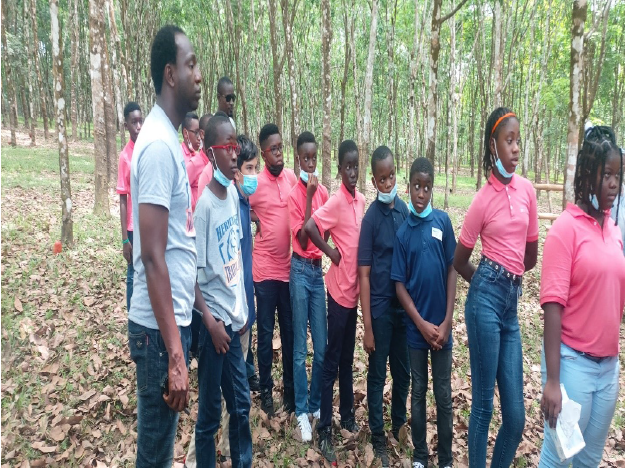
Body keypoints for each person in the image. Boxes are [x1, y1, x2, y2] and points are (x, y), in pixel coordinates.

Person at [128, 24, 203, 468]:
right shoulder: (157, 145)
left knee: (159, 449)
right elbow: (152, 256)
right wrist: (175, 354)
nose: (198, 74)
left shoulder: (167, 138)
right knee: (154, 455)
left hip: (167, 325)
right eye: (191, 64)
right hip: (158, 333)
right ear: (171, 74)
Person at [453, 107, 539, 468]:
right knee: (484, 406)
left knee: (516, 417)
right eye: (509, 140)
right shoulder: (481, 200)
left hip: (511, 306)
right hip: (484, 302)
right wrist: (488, 284)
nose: (516, 147)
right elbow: (459, 261)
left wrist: (507, 282)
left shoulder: (528, 192)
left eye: (518, 140)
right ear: (494, 145)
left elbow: (530, 256)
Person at [539, 126, 625, 467]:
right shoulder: (565, 229)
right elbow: (552, 307)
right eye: (607, 175)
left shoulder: (614, 231)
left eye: (618, 176)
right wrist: (553, 382)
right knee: (559, 458)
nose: (614, 184)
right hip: (573, 366)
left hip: (608, 369)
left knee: (588, 461)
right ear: (589, 174)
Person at [185, 134, 259, 467]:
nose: (235, 155)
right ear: (211, 154)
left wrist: (242, 309)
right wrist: (211, 323)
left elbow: (235, 262)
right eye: (227, 149)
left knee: (241, 404)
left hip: (234, 319)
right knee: (210, 413)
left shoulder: (232, 195)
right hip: (214, 327)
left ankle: (242, 462)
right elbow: (192, 277)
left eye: (236, 148)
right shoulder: (204, 209)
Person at [391, 157, 457, 469]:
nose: (421, 193)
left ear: (432, 189)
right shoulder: (404, 233)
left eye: (427, 188)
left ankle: (445, 459)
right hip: (416, 331)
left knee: (443, 394)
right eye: (416, 186)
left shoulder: (442, 222)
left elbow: (452, 270)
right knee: (418, 391)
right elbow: (400, 286)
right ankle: (420, 456)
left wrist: (446, 322)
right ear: (409, 187)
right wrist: (420, 324)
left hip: (442, 329)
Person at [305, 140, 365, 464]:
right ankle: (325, 428)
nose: (352, 172)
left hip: (355, 294)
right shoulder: (338, 201)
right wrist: (330, 253)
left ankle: (347, 414)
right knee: (331, 361)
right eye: (347, 167)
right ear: (340, 169)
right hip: (338, 293)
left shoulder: (362, 201)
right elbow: (311, 226)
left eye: (356, 166)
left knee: (346, 358)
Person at [358, 146, 410, 466]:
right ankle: (377, 434)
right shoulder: (370, 219)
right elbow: (363, 274)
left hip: (403, 310)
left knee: (402, 373)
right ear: (374, 180)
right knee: (377, 375)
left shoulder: (405, 212)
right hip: (379, 309)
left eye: (391, 176)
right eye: (382, 179)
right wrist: (367, 326)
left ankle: (399, 422)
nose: (388, 183)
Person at [249, 123, 297, 417]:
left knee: (290, 334)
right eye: (274, 149)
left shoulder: (291, 178)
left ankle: (290, 391)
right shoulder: (255, 183)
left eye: (281, 147)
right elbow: (242, 204)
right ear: (264, 153)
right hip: (264, 272)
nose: (279, 153)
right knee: (265, 334)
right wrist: (256, 219)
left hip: (289, 271)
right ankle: (266, 390)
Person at [287, 131, 330, 442]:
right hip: (299, 272)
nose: (311, 163)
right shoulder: (294, 194)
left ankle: (315, 404)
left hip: (317, 273)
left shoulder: (325, 193)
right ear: (298, 159)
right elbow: (303, 238)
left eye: (314, 158)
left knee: (322, 348)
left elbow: (324, 236)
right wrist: (309, 197)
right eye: (306, 158)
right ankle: (301, 410)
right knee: (300, 348)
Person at [116, 101, 143, 312]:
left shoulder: (146, 150)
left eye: (140, 121)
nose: (138, 126)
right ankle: (132, 314)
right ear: (126, 125)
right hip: (134, 228)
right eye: (134, 122)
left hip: (148, 223)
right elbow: (123, 200)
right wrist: (125, 239)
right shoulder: (125, 157)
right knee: (133, 272)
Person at [181, 112, 207, 211]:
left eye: (199, 133)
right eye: (196, 133)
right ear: (185, 133)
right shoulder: (179, 158)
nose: (199, 137)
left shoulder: (198, 156)